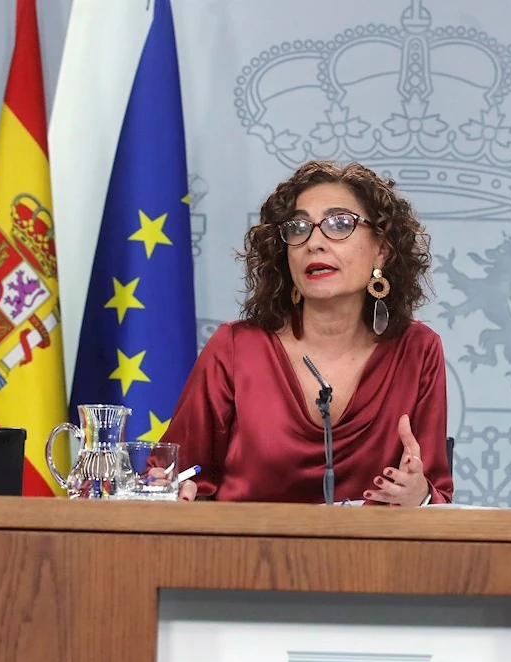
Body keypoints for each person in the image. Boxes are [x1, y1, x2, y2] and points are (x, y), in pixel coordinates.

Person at [162, 160, 453, 505]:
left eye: (339, 224)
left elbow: (437, 494)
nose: (313, 242)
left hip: (369, 557)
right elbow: (178, 472)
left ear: (383, 249)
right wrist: (173, 488)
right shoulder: (235, 348)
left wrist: (418, 495)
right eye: (299, 228)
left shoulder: (417, 349)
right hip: (243, 555)